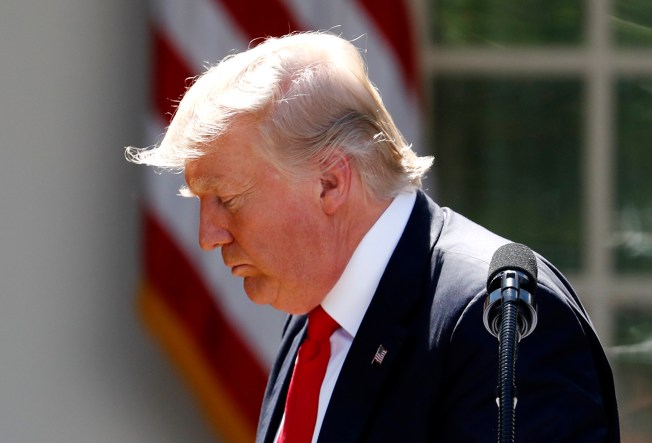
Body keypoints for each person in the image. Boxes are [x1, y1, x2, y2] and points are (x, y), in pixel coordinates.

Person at [126, 31, 620, 443]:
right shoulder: (312, 321)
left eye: (227, 199)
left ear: (331, 182)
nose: (207, 236)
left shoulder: (499, 319)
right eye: (201, 203)